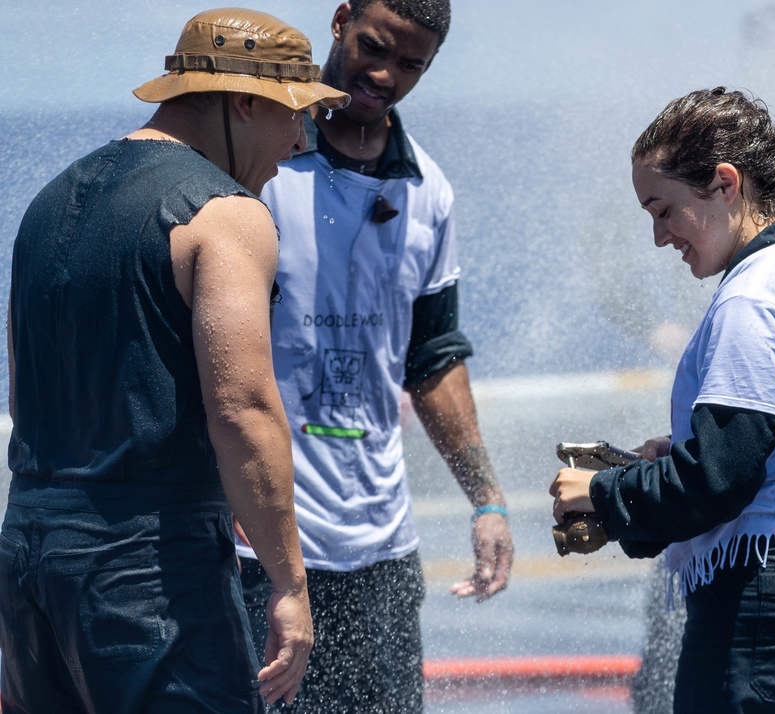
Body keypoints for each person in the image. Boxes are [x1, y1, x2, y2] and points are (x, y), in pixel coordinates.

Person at [0, 9, 350, 713]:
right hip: (148, 574)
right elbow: (242, 409)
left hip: (28, 565)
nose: (300, 139)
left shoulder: (48, 203)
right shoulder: (226, 213)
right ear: (243, 100)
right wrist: (289, 586)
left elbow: (29, 391)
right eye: (293, 114)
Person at [549, 87, 775, 713]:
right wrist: (669, 459)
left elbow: (717, 483)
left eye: (664, 209)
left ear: (725, 183)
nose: (658, 236)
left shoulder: (751, 298)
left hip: (765, 616)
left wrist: (602, 495)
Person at [235, 1, 515, 711]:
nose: (385, 74)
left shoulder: (429, 189)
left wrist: (487, 501)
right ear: (339, 22)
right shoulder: (262, 162)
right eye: (374, 47)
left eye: (412, 64)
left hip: (381, 555)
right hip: (255, 547)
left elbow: (434, 359)